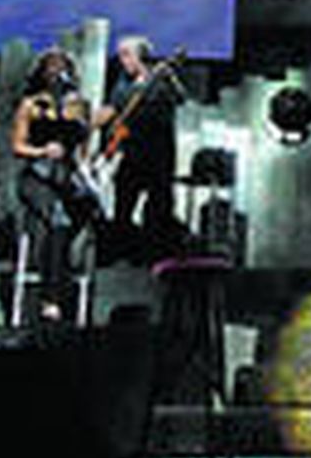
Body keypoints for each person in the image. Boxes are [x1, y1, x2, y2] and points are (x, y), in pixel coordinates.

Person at [11, 47, 103, 322]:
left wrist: (85, 164)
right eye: (51, 66)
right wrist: (42, 151)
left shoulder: (78, 105)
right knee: (59, 221)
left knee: (86, 211)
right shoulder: (31, 104)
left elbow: (83, 146)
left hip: (67, 177)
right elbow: (17, 146)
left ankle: (56, 263)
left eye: (62, 66)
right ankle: (51, 299)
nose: (56, 71)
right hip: (36, 175)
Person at [95, 36, 185, 254]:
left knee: (158, 206)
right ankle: (121, 250)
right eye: (120, 55)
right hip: (132, 152)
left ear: (140, 57)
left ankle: (153, 253)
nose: (122, 60)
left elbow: (180, 98)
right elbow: (115, 109)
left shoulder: (160, 79)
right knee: (123, 200)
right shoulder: (123, 83)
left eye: (127, 54)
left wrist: (169, 78)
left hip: (158, 153)